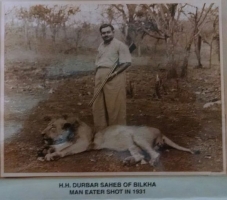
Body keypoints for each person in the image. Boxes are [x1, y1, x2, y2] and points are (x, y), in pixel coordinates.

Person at [92, 24, 132, 132]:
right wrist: (96, 75)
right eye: (103, 33)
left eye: (108, 32)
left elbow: (127, 63)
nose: (106, 35)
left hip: (114, 76)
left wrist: (114, 74)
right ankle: (101, 131)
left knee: (115, 104)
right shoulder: (101, 45)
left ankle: (117, 132)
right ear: (101, 34)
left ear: (113, 32)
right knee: (98, 104)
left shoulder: (120, 45)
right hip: (100, 75)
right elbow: (98, 62)